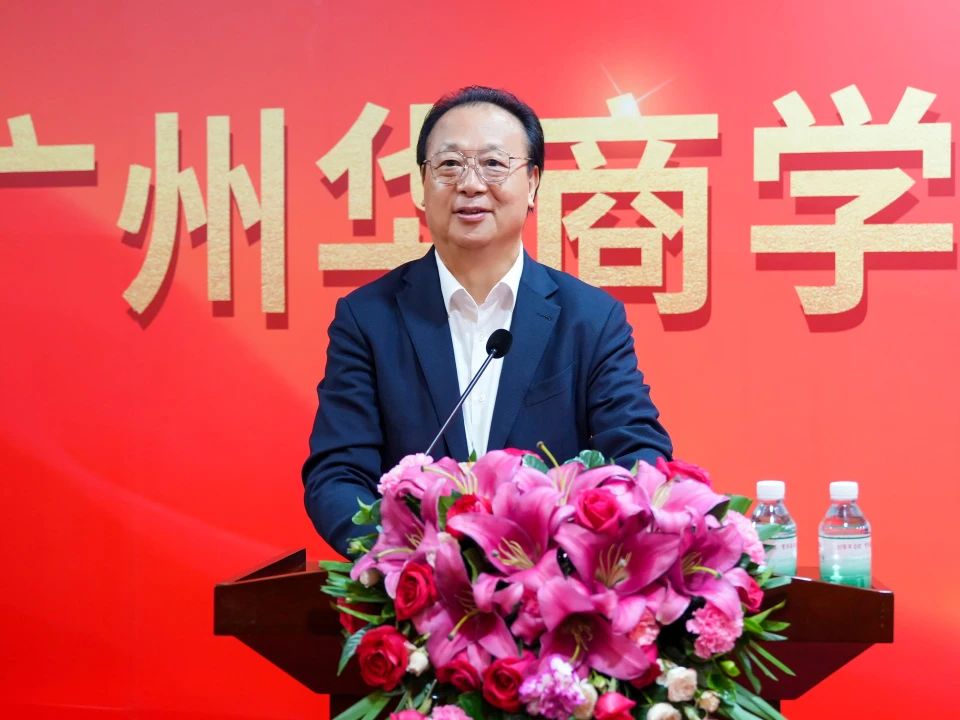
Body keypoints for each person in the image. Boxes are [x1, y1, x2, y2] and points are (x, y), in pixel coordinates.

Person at [303, 86, 672, 556]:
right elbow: (337, 476)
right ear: (422, 183)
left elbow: (640, 456)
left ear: (533, 183)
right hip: (414, 583)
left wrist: (571, 554)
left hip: (549, 581)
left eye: (494, 163)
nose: (471, 184)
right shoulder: (368, 318)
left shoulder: (590, 319)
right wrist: (405, 557)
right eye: (449, 164)